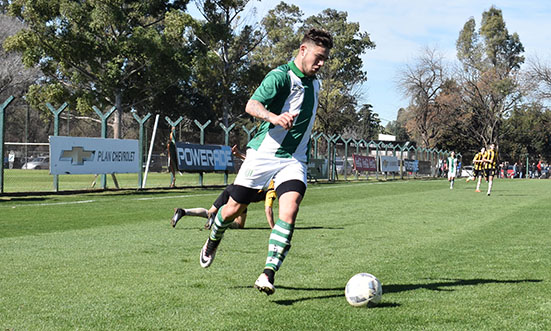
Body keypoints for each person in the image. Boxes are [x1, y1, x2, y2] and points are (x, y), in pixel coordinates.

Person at [198, 28, 333, 296]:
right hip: (263, 155)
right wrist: (273, 117)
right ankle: (214, 238)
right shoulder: (280, 77)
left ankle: (267, 273)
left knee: (290, 209)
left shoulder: (315, 83)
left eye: (325, 59)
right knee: (232, 209)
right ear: (303, 50)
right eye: (318, 57)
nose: (320, 64)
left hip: (294, 159)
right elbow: (252, 105)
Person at [171, 180, 277, 230]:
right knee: (239, 225)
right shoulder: (271, 191)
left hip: (232, 187)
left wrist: (239, 155)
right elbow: (268, 209)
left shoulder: (266, 174)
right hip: (242, 196)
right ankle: (218, 219)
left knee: (210, 212)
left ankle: (183, 211)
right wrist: (273, 228)